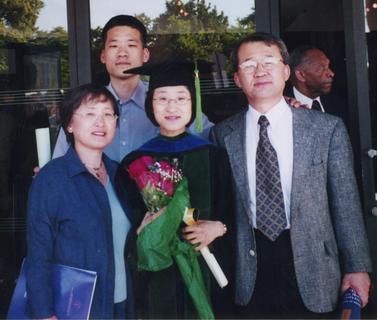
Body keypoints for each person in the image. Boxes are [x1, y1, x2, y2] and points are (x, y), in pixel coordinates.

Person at [209, 32, 372, 319]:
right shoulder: (223, 134)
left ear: (286, 71)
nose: (259, 71)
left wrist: (357, 267)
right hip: (249, 270)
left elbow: (345, 204)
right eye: (248, 65)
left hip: (316, 270)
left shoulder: (326, 129)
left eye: (269, 61)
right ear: (236, 79)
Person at [115, 60, 234, 319]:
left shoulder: (215, 156)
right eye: (162, 98)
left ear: (193, 104)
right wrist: (145, 229)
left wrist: (218, 227)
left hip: (208, 269)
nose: (172, 106)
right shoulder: (135, 163)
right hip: (158, 274)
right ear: (150, 105)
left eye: (181, 98)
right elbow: (129, 223)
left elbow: (234, 211)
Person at [26, 84, 133, 319]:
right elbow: (38, 253)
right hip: (76, 308)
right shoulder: (51, 179)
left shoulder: (120, 175)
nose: (100, 122)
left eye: (108, 114)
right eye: (89, 113)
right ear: (70, 124)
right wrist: (44, 314)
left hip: (122, 303)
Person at [52, 15, 213, 162]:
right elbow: (59, 164)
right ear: (103, 56)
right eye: (114, 46)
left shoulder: (166, 102)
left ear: (145, 55)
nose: (122, 53)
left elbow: (211, 139)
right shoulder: (83, 107)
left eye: (131, 45)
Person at [286, 45, 348, 123]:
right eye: (321, 69)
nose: (331, 73)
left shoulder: (340, 105)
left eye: (328, 66)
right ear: (301, 75)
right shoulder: (284, 108)